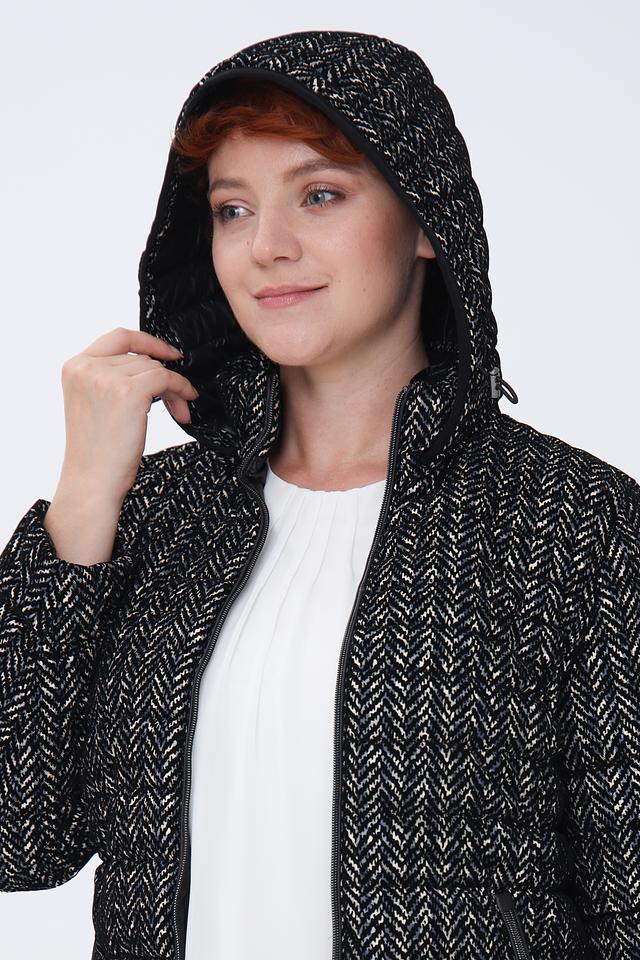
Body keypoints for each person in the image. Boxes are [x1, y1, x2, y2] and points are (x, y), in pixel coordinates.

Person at [1, 28, 638, 960]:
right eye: (232, 209)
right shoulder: (157, 515)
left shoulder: (573, 524)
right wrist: (84, 500)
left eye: (320, 195)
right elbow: (17, 838)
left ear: (425, 219)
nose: (267, 246)